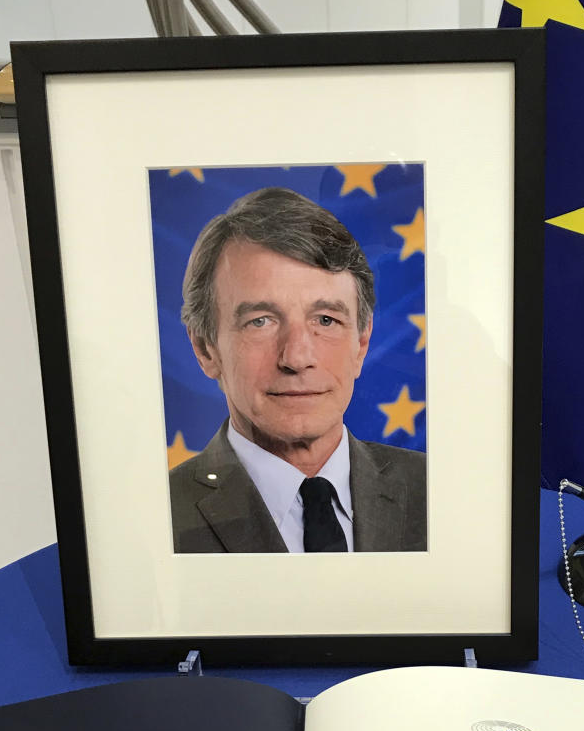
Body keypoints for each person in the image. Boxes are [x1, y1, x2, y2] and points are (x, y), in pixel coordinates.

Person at [169, 186, 426, 552]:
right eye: (260, 321)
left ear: (362, 342)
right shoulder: (157, 519)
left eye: (325, 319)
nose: (296, 357)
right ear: (205, 348)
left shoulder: (439, 492)